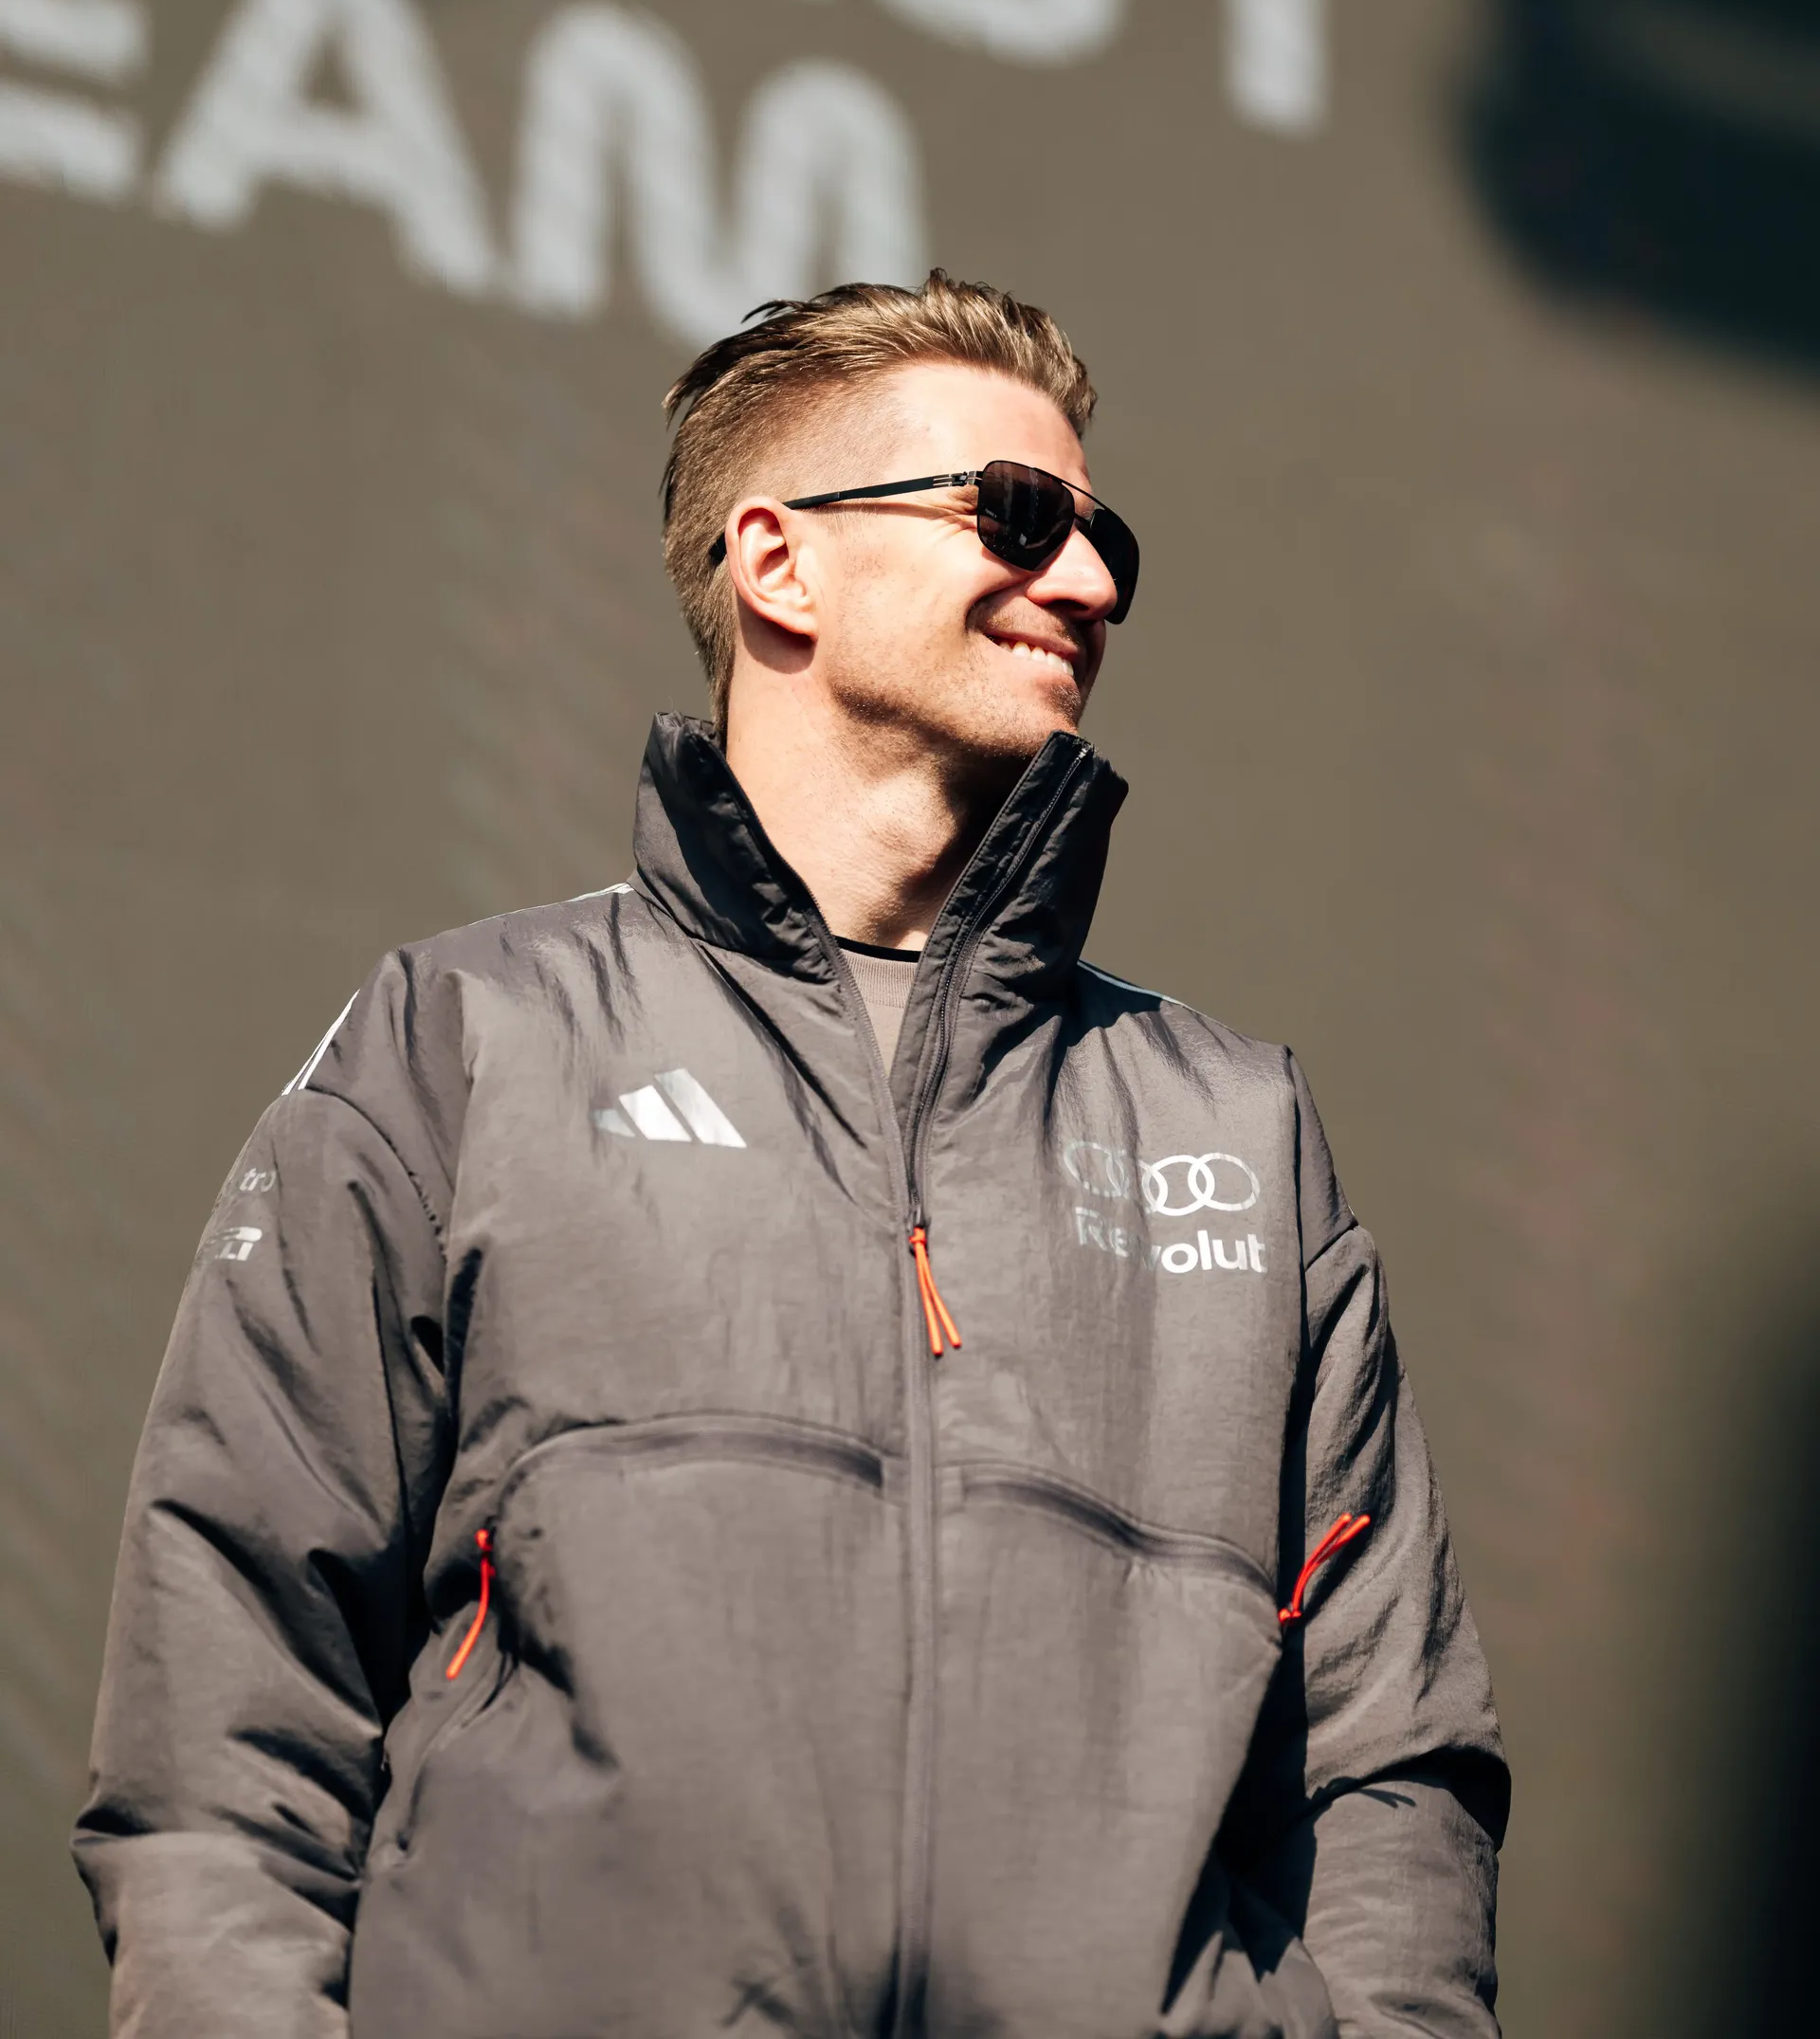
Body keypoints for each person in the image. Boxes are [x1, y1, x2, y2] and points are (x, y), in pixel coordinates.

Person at [76, 271, 1507, 2038]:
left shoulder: (1239, 1129)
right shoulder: (467, 1043)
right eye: (1019, 514)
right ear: (780, 565)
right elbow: (229, 1717)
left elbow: (1392, 1768)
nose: (1091, 578)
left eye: (1102, 532)